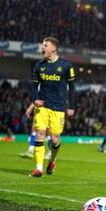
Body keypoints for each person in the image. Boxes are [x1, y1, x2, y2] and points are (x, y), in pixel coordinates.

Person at [29, 37, 76, 177]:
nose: (42, 47)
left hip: (58, 107)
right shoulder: (39, 66)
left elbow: (72, 87)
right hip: (42, 106)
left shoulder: (66, 65)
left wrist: (71, 106)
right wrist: (34, 99)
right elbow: (33, 85)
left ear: (53, 49)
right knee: (40, 134)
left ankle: (52, 160)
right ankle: (38, 168)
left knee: (55, 138)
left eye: (45, 45)